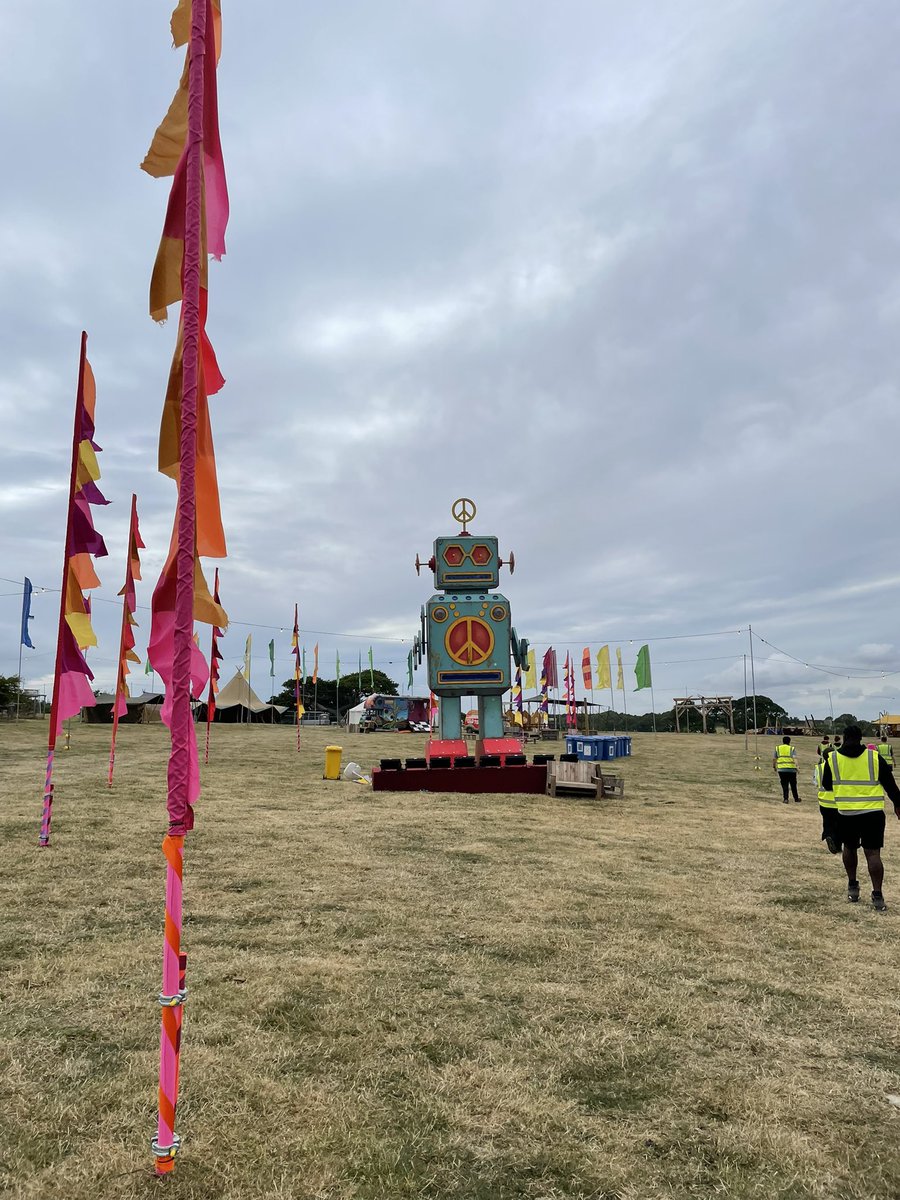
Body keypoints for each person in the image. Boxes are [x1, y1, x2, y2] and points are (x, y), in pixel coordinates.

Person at [821, 725, 900, 911]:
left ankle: (853, 887)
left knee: (849, 848)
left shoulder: (832, 758)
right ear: (860, 739)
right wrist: (898, 804)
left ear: (844, 737)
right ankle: (878, 895)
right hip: (873, 814)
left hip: (846, 813)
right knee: (873, 854)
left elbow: (826, 785)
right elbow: (890, 785)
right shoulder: (873, 757)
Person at [814, 757, 841, 855]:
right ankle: (837, 845)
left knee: (827, 821)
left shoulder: (819, 767)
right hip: (837, 801)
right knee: (838, 823)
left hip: (824, 801)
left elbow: (815, 782)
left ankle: (828, 835)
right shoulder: (838, 766)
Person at [773, 735, 801, 803]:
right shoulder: (792, 748)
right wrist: (797, 767)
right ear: (789, 741)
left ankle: (786, 799)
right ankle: (796, 798)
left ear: (783, 741)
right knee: (793, 784)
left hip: (782, 769)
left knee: (784, 784)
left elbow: (774, 759)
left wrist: (774, 766)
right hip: (791, 770)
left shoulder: (778, 748)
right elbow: (794, 758)